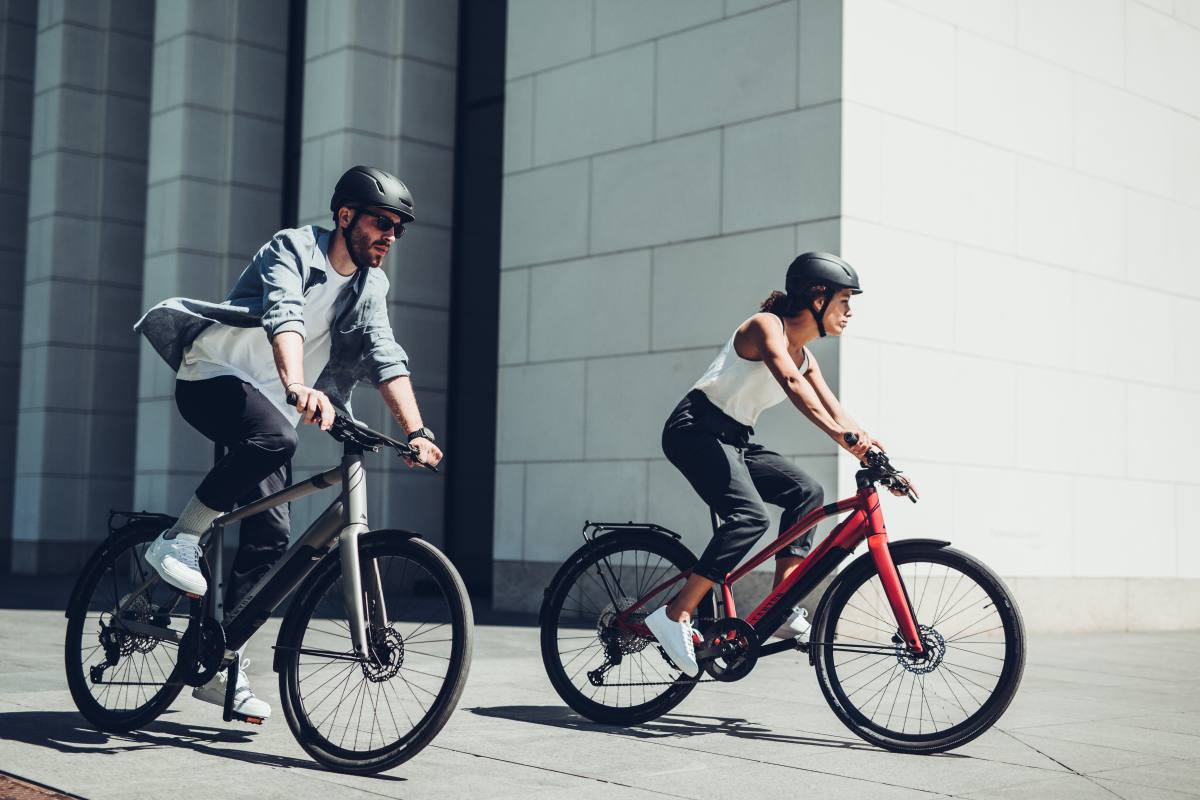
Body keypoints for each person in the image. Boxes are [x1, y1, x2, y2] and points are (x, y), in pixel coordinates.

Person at [133, 165, 443, 720]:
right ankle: (177, 540)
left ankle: (221, 662)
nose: (390, 236)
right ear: (345, 216)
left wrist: (415, 430)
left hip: (273, 407)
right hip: (212, 379)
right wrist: (298, 384)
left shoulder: (372, 284)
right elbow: (286, 314)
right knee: (276, 437)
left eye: (398, 228)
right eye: (380, 222)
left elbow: (384, 351)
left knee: (272, 534)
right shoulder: (293, 248)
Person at [645, 252, 910, 677]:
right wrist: (845, 440)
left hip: (735, 439)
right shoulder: (765, 326)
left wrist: (878, 455)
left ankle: (782, 606)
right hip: (694, 430)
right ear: (817, 297)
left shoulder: (807, 356)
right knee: (748, 518)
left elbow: (837, 410)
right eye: (844, 300)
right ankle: (675, 614)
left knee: (807, 493)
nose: (850, 311)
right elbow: (789, 383)